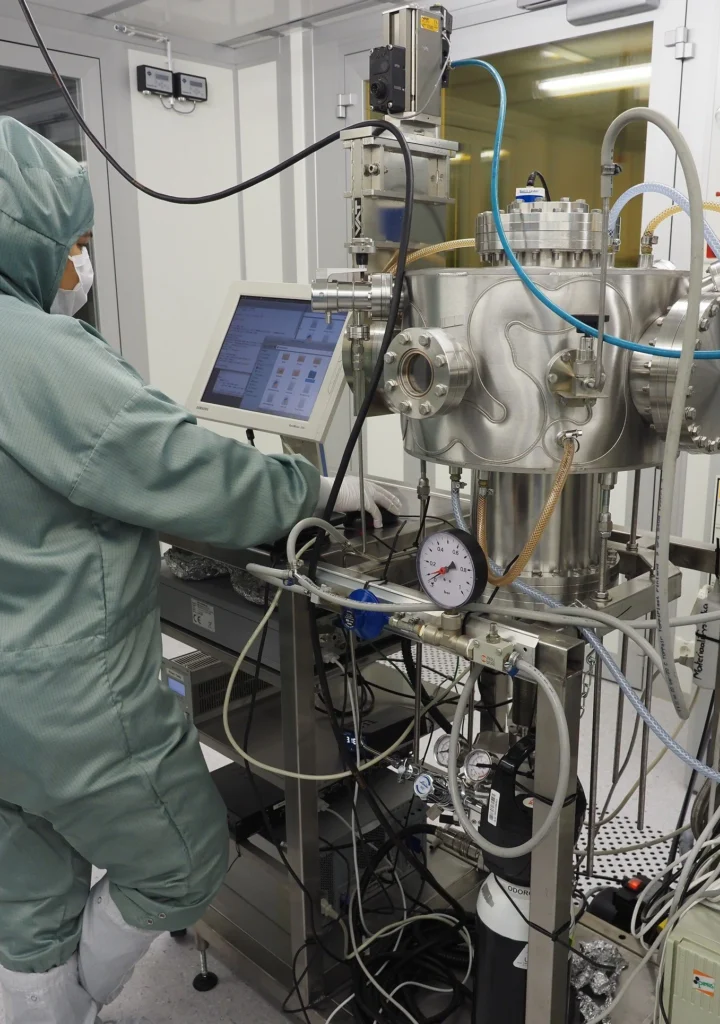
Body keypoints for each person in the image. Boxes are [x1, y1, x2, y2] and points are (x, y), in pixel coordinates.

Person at [0, 116, 400, 1024]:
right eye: (78, 245)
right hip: (57, 697)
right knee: (181, 859)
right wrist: (312, 491)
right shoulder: (32, 349)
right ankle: (72, 1003)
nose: (79, 266)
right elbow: (174, 467)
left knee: (24, 885)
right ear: (29, 232)